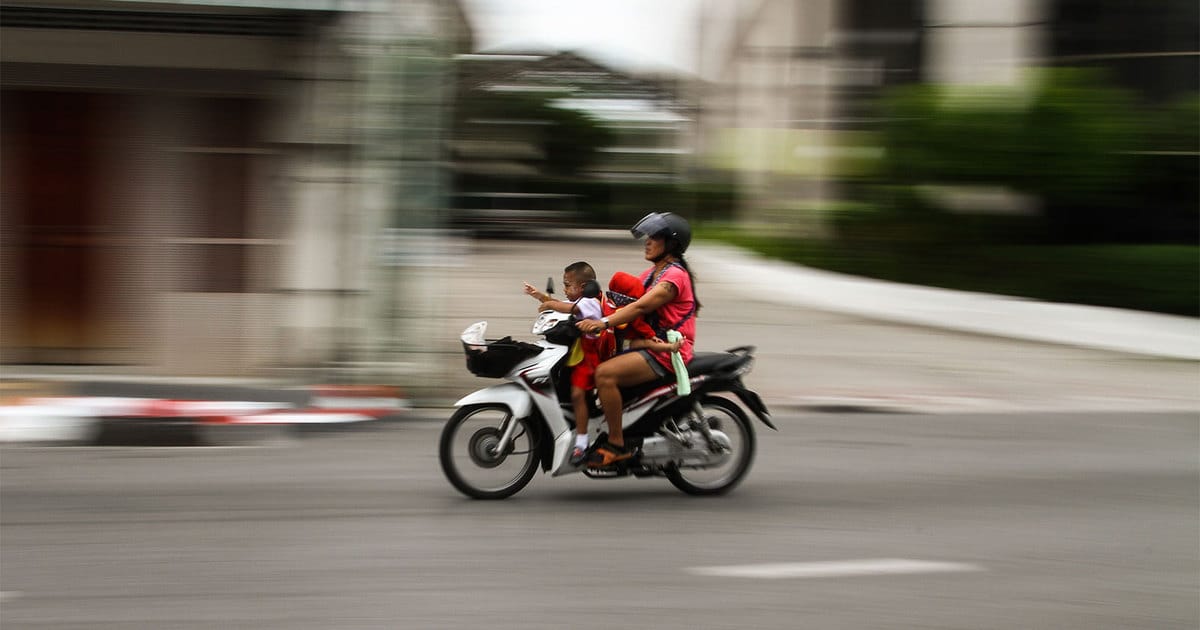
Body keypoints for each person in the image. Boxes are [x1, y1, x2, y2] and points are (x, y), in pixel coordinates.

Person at [576, 212, 699, 467]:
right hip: (648, 346)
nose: (648, 241)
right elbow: (618, 301)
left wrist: (603, 323)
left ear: (671, 244)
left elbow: (640, 307)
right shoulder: (651, 274)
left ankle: (617, 444)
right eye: (648, 236)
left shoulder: (675, 277)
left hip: (667, 352)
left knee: (605, 374)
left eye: (655, 237)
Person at [524, 262, 612, 466]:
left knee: (577, 395)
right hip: (577, 355)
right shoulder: (580, 299)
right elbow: (561, 304)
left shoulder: (590, 302)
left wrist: (549, 304)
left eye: (568, 284)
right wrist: (539, 296)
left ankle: (581, 443)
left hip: (588, 359)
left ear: (584, 286)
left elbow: (566, 307)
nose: (565, 288)